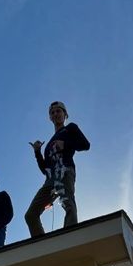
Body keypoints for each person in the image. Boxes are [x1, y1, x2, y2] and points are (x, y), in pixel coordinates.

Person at [25, 101, 90, 237]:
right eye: (52, 112)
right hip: (50, 179)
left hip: (65, 171)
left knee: (68, 204)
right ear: (50, 117)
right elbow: (45, 170)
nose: (56, 114)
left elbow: (85, 145)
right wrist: (37, 152)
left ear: (65, 114)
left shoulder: (70, 128)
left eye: (58, 111)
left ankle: (70, 237)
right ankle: (41, 244)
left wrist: (66, 144)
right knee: (31, 215)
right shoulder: (49, 144)